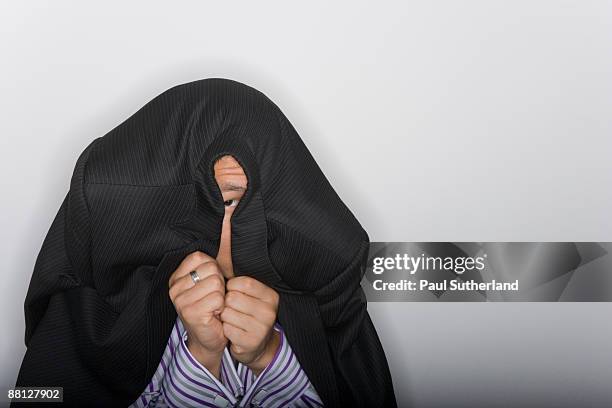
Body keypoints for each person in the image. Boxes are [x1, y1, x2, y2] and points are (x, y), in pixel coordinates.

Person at [14, 78, 397, 407]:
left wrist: (270, 358)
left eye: (237, 202)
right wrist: (201, 357)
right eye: (210, 206)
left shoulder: (329, 310)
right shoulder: (88, 320)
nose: (227, 233)